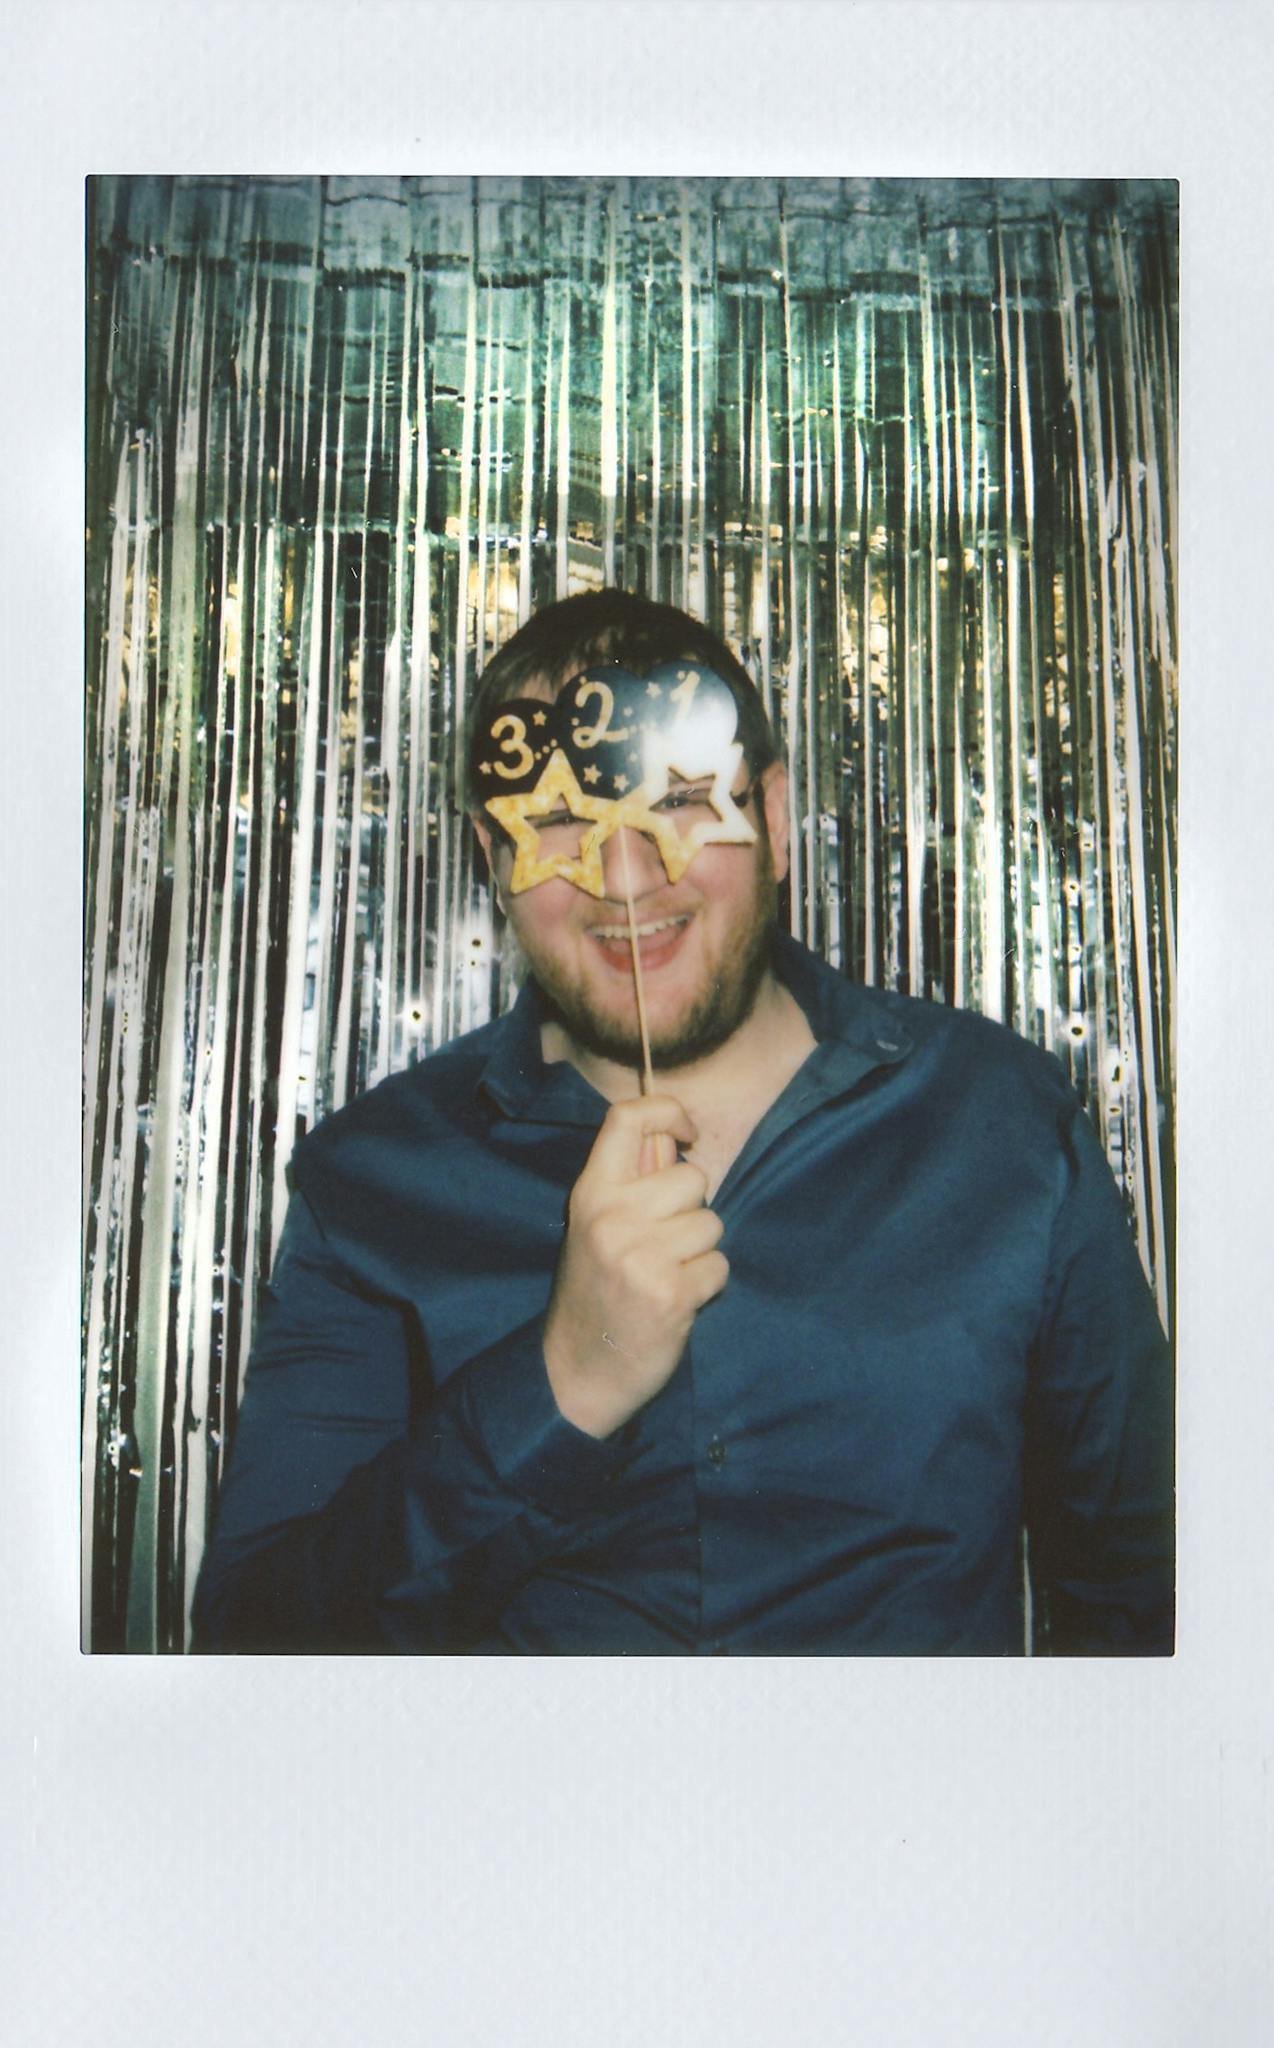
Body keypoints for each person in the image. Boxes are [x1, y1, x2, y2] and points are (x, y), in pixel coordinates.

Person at [193, 589, 1174, 1655]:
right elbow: (254, 1649)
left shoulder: (1003, 1124)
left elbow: (1151, 1603)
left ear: (774, 820)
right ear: (493, 856)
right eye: (556, 819)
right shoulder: (372, 1182)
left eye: (675, 798)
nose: (624, 877)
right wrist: (563, 1382)